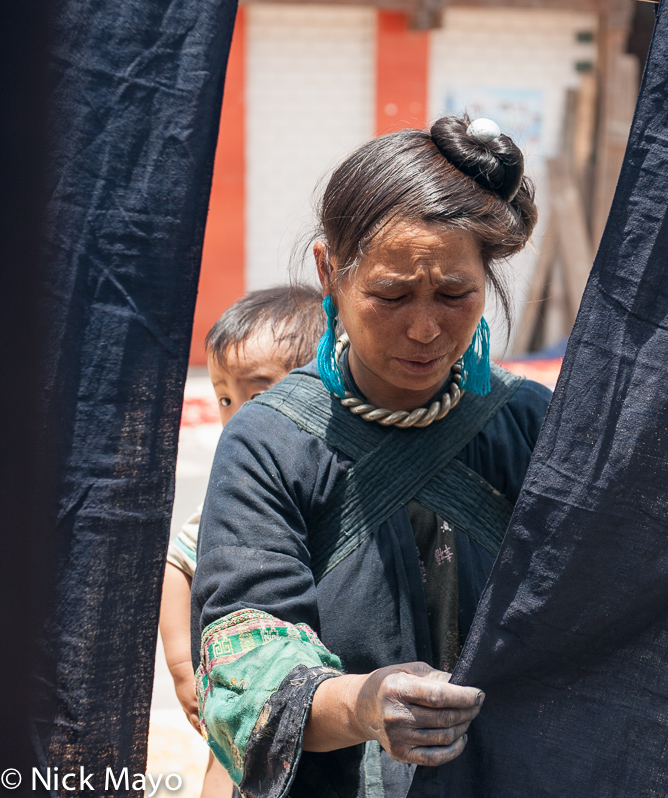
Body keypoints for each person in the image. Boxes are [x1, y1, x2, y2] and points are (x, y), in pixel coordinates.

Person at [191, 116, 551, 798]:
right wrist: (362, 703)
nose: (423, 328)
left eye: (454, 294)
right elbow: (244, 659)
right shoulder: (269, 443)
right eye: (390, 295)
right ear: (330, 271)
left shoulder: (530, 426)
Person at [158, 286, 325, 798]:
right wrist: (186, 672)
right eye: (226, 398)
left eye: (257, 397)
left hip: (324, 694)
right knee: (226, 768)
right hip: (245, 687)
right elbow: (177, 564)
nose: (238, 417)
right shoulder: (237, 487)